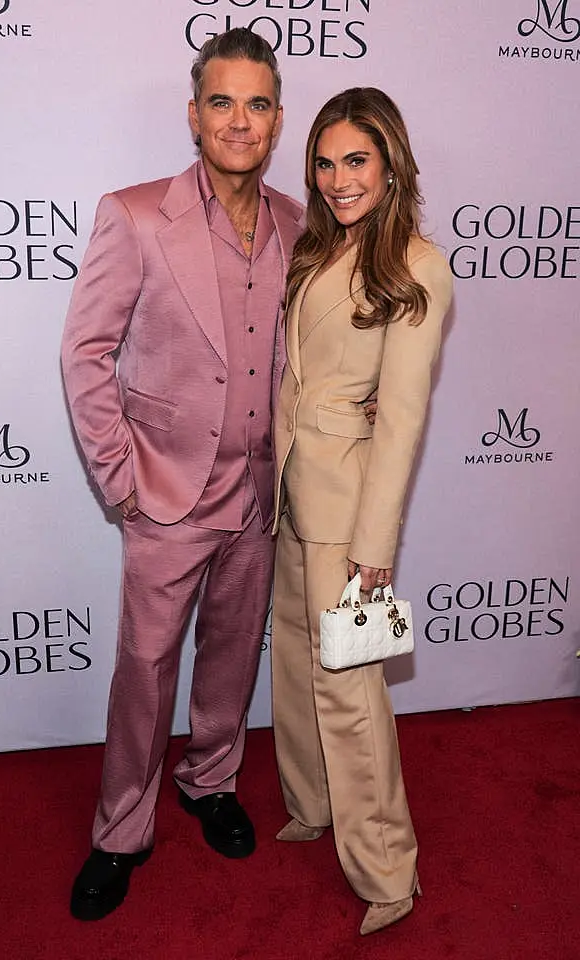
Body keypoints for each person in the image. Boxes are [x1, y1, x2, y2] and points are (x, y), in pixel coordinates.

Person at [60, 28, 305, 921]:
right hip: (165, 490)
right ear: (194, 113)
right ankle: (120, 829)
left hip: (259, 490)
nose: (240, 120)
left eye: (258, 103)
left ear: (277, 119)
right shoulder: (133, 215)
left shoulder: (297, 222)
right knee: (145, 666)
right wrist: (120, 474)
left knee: (234, 655)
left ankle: (210, 780)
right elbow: (86, 352)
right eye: (222, 101)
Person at [270, 87, 453, 936]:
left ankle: (388, 868)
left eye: (357, 160)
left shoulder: (415, 264)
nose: (339, 177)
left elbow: (404, 414)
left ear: (390, 165)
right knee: (299, 659)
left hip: (349, 507)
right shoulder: (315, 251)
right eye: (326, 160)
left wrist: (376, 546)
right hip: (292, 491)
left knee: (350, 687)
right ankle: (311, 802)